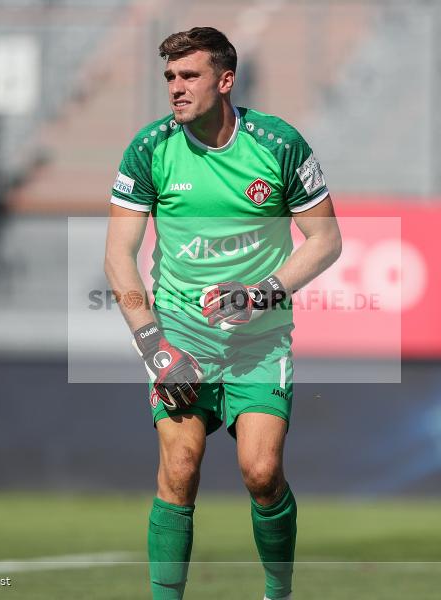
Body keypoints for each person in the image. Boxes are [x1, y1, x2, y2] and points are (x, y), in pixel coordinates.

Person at [103, 26, 341, 600]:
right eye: (170, 77)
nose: (176, 88)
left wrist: (260, 294)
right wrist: (155, 347)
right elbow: (117, 257)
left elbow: (326, 240)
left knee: (262, 473)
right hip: (180, 337)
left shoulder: (278, 144)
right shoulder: (150, 148)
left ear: (226, 80)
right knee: (180, 466)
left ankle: (278, 594)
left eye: (190, 75)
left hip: (259, 339)